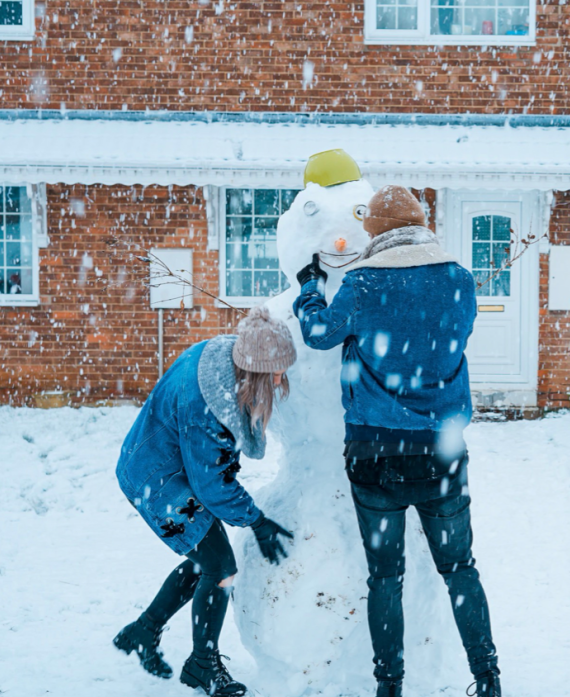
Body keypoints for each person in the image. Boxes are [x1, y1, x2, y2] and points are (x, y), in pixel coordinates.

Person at [293, 185, 501, 697]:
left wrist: (309, 289)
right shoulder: (458, 279)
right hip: (441, 455)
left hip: (375, 456)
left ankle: (390, 685)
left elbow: (319, 333)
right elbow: (456, 336)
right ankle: (487, 676)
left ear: (379, 230)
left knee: (385, 578)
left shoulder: (363, 283)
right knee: (459, 569)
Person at [113, 306, 297, 697]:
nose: (282, 378)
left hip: (166, 463)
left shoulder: (228, 362)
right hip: (157, 478)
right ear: (256, 370)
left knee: (207, 562)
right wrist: (257, 521)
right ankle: (202, 665)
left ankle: (142, 631)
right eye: (277, 372)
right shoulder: (207, 405)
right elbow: (211, 484)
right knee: (221, 567)